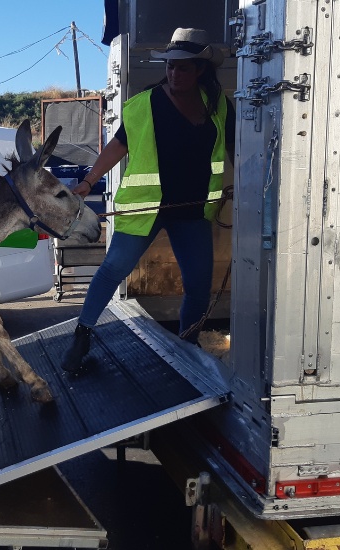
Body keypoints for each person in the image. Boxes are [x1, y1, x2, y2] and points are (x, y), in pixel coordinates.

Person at [61, 28, 235, 373]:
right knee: (112, 270)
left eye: (183, 67)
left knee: (199, 288)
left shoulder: (218, 104)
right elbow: (118, 145)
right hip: (146, 209)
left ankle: (187, 345)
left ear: (200, 69)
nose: (174, 73)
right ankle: (81, 335)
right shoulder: (146, 102)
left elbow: (235, 150)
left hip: (193, 211)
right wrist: (88, 181)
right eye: (170, 66)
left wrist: (250, 186)